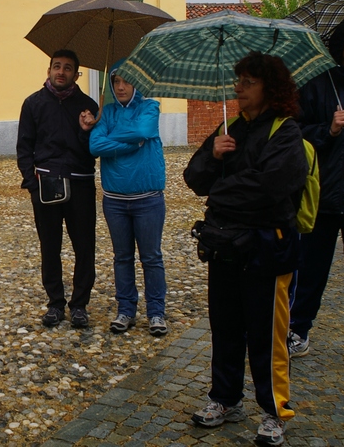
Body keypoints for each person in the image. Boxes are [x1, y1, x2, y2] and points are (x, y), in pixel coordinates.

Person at [183, 52, 307, 446]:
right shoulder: (228, 126)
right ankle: (224, 398)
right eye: (238, 80)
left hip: (267, 249)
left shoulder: (286, 132)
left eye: (247, 81)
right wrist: (212, 156)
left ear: (269, 88)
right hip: (224, 246)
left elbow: (271, 187)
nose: (238, 87)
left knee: (267, 335)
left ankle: (274, 411)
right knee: (226, 327)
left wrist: (220, 192)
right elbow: (193, 178)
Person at [16, 49, 100, 328]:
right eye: (56, 66)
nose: (60, 72)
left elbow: (93, 151)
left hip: (80, 183)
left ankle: (79, 305)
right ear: (49, 70)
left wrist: (86, 130)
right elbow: (24, 147)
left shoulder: (88, 105)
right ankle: (55, 303)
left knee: (84, 248)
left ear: (77, 74)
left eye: (67, 68)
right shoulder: (33, 103)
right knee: (50, 247)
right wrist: (31, 181)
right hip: (46, 184)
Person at [83, 60, 168, 336]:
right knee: (122, 257)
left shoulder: (150, 107)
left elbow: (144, 131)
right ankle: (126, 310)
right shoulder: (105, 112)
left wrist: (113, 138)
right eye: (116, 81)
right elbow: (95, 145)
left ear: (137, 82)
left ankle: (156, 312)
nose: (120, 86)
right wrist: (131, 142)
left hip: (148, 198)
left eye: (126, 81)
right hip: (115, 200)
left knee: (151, 257)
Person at [288, 16, 344, 358]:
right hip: (323, 194)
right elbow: (295, 134)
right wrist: (327, 131)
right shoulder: (318, 83)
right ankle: (298, 329)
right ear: (341, 43)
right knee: (311, 269)